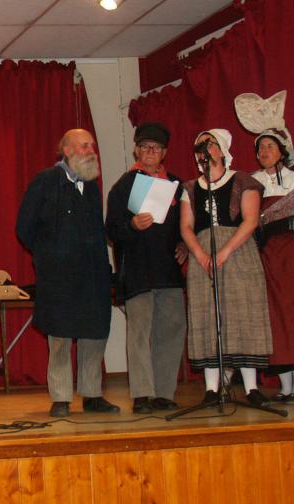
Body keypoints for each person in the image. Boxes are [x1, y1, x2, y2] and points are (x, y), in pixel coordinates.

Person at [16, 129, 118, 418]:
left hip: (92, 274)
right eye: (84, 146)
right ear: (67, 150)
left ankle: (92, 394)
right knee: (59, 337)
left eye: (92, 146)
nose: (91, 150)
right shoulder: (46, 181)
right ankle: (60, 397)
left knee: (94, 334)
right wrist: (49, 255)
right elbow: (25, 226)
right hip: (58, 276)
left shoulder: (92, 188)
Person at [235, 92, 294, 404]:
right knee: (273, 318)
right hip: (265, 256)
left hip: (293, 254)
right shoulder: (251, 182)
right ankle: (285, 384)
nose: (264, 152)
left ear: (283, 150)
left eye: (270, 146)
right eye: (260, 148)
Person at [179, 129, 272, 406]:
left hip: (238, 251)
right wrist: (201, 254)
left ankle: (251, 387)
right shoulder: (190, 188)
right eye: (199, 146)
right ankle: (211, 388)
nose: (204, 149)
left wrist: (225, 251)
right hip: (203, 255)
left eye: (209, 144)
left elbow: (250, 220)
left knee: (243, 312)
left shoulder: (243, 181)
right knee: (208, 316)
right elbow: (185, 226)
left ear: (221, 150)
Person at [104, 122, 187, 414]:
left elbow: (187, 226)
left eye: (157, 148)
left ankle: (164, 392)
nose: (151, 152)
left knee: (171, 331)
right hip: (137, 270)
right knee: (139, 332)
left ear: (164, 152)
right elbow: (111, 229)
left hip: (169, 272)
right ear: (137, 150)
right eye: (145, 147)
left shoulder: (177, 184)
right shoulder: (124, 185)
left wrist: (185, 245)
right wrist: (132, 225)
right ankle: (142, 394)